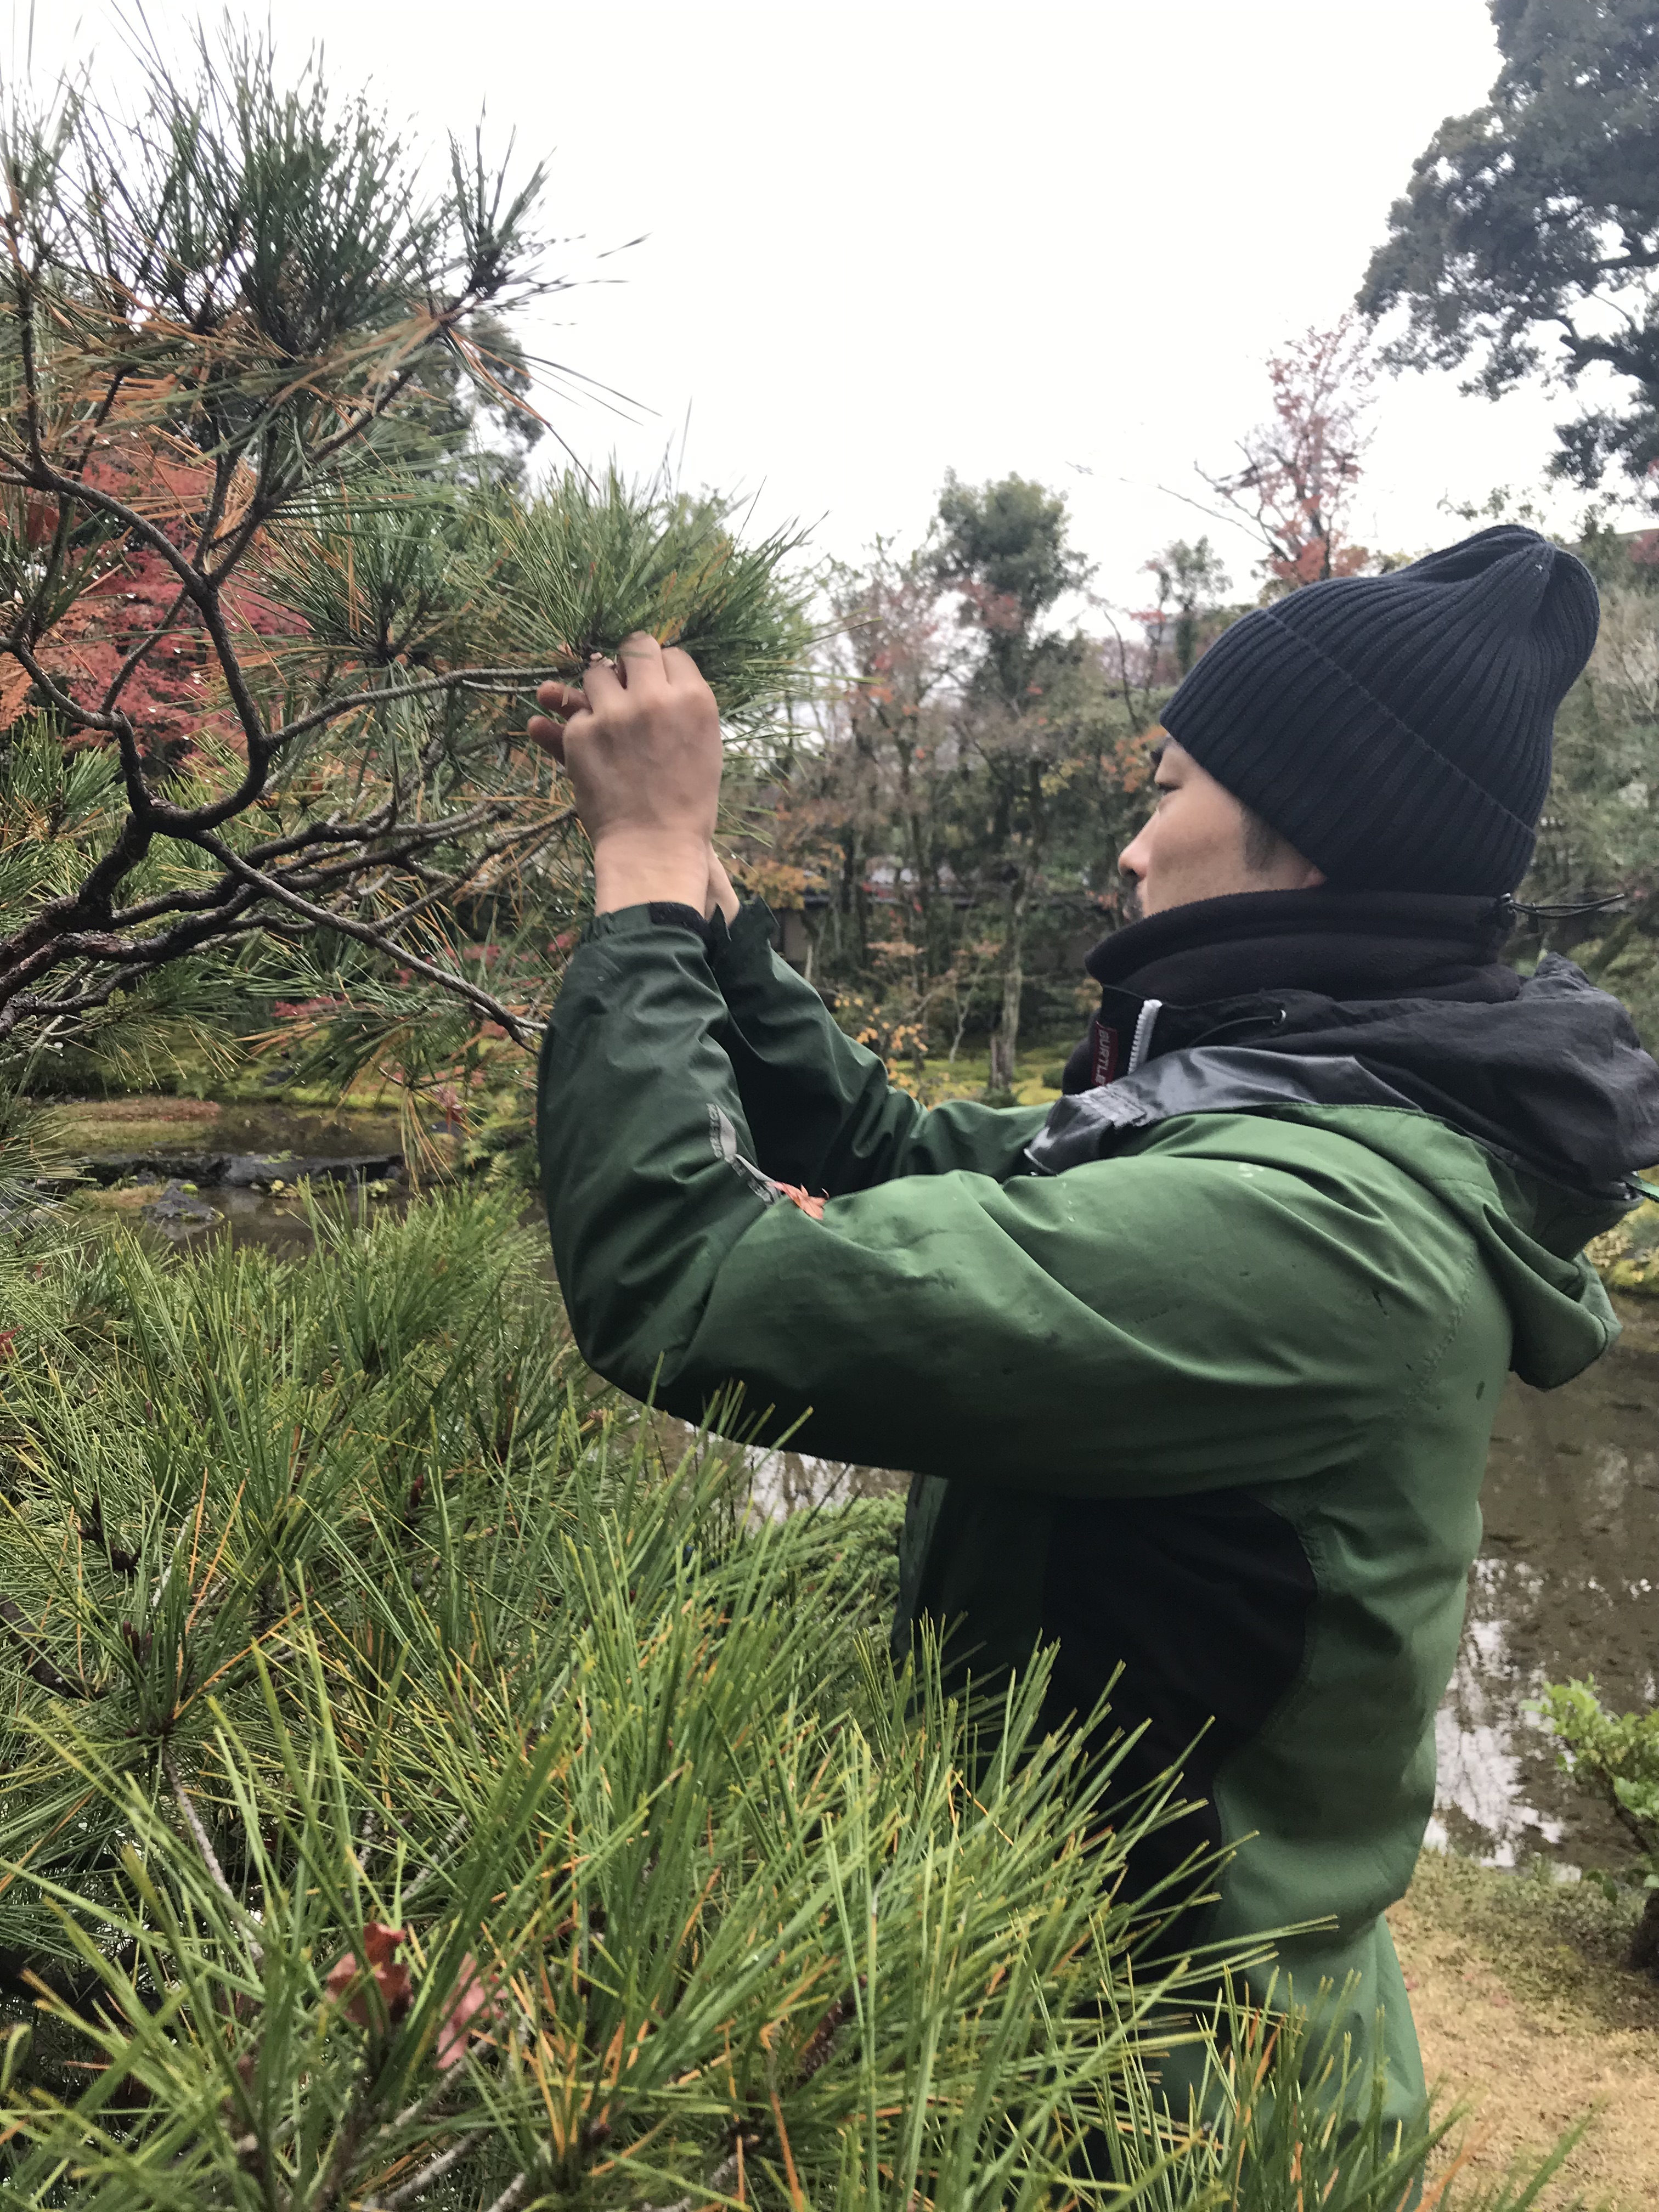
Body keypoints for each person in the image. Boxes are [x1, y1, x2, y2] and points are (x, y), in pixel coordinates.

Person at [528, 525, 1659, 2134]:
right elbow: (903, 1157)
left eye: (1169, 786)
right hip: (1083, 2029)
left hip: (1158, 2108)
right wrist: (709, 918)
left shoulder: (1310, 1222)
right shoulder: (1284, 1105)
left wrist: (636, 881)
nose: (1133, 849)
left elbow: (686, 1283)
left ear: (1312, 838)